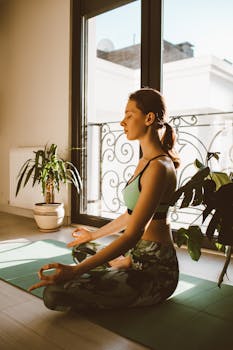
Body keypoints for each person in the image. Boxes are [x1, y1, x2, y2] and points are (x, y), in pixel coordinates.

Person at [29, 88, 180, 312]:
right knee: (83, 247)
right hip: (135, 256)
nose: (122, 122)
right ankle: (123, 266)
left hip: (153, 271)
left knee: (54, 295)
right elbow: (130, 215)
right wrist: (93, 235)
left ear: (149, 118)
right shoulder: (145, 162)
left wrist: (75, 271)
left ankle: (125, 271)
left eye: (129, 115)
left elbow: (133, 234)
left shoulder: (159, 166)